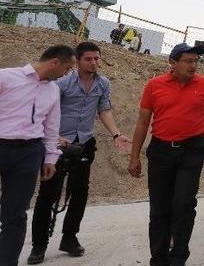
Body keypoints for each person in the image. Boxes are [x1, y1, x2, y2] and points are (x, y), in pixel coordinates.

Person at [27, 42, 131, 264]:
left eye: (97, 58)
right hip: (57, 144)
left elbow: (104, 110)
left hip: (84, 143)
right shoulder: (62, 83)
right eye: (88, 59)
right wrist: (51, 139)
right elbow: (45, 110)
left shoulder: (103, 84)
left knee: (80, 192)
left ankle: (69, 238)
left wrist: (115, 134)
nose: (94, 63)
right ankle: (39, 245)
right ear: (78, 60)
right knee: (48, 194)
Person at [127, 43, 204, 266]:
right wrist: (134, 156)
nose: (193, 65)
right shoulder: (153, 86)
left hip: (192, 151)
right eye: (188, 61)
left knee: (184, 203)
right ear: (172, 62)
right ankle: (158, 258)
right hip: (160, 151)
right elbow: (143, 122)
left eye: (196, 61)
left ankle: (179, 257)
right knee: (159, 208)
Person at [0, 45, 74, 266]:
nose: (66, 74)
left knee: (15, 214)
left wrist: (51, 158)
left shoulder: (52, 90)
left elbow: (51, 127)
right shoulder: (6, 77)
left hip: (29, 153)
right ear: (55, 63)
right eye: (67, 68)